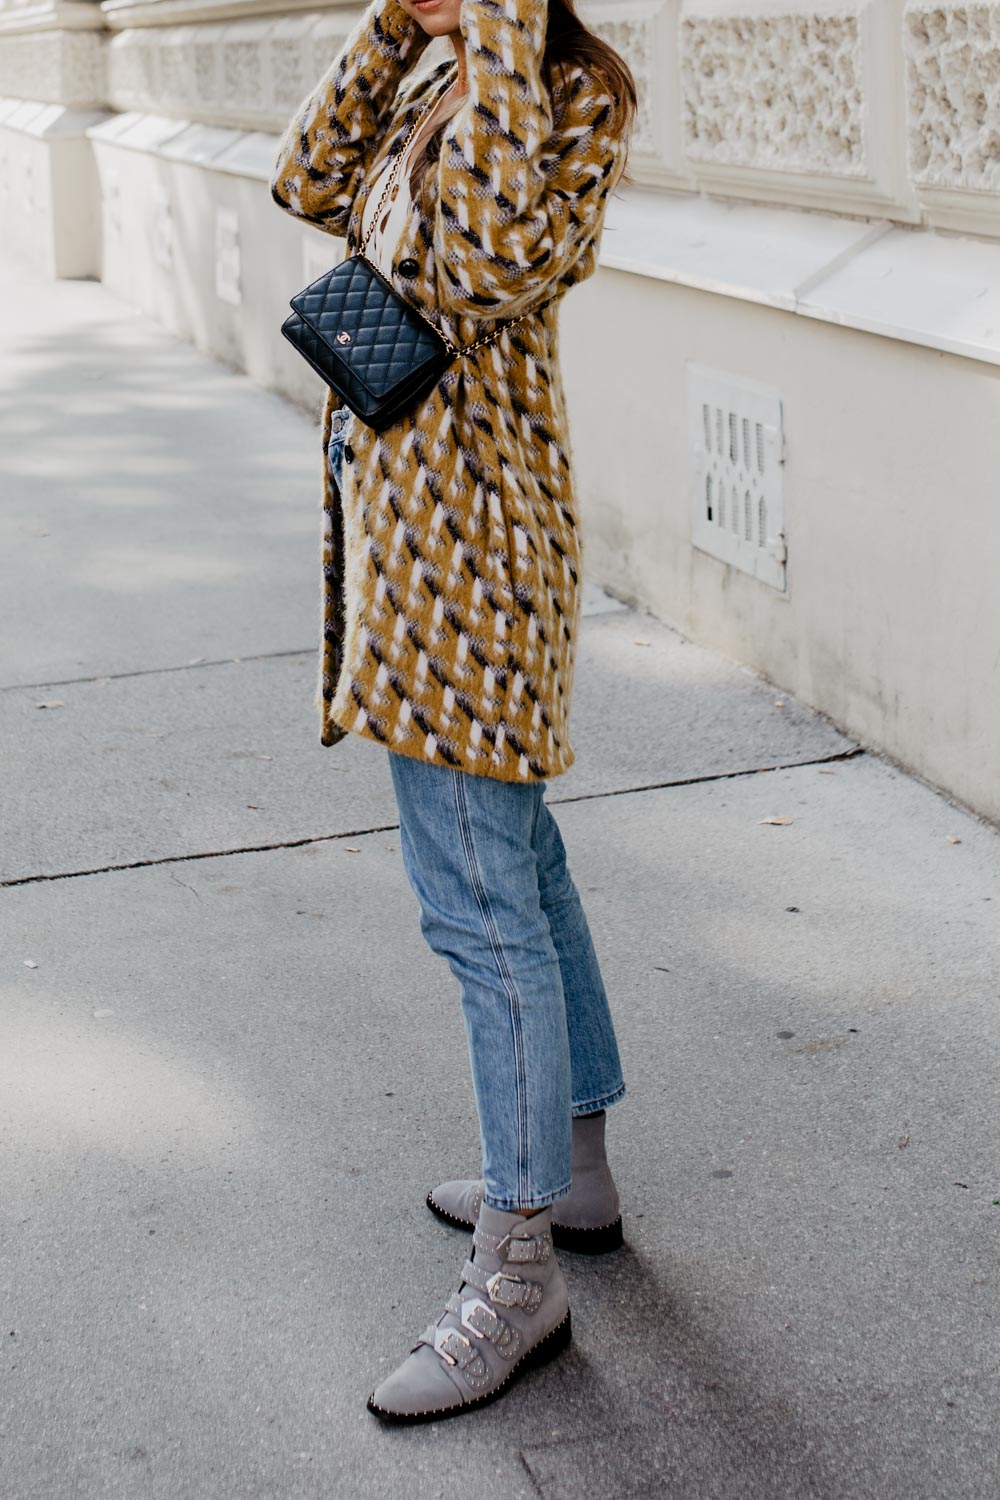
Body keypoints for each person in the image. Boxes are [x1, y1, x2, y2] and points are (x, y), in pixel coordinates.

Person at [271, 0, 636, 1424]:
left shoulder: (570, 99)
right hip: (410, 546)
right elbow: (309, 180)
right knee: (519, 871)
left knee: (478, 903)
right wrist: (392, 27)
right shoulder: (439, 65)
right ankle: (576, 1168)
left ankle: (522, 1267)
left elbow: (478, 260)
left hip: (479, 560)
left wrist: (487, 32)